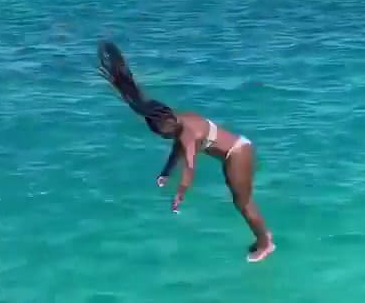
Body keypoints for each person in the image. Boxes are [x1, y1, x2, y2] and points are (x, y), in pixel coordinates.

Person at [97, 40, 275, 263]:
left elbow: (190, 168)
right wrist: (166, 172)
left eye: (164, 134)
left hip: (236, 155)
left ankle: (266, 243)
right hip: (240, 148)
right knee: (244, 201)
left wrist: (180, 195)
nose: (165, 138)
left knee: (243, 204)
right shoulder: (178, 118)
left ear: (169, 126)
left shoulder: (187, 132)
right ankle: (263, 235)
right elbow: (177, 149)